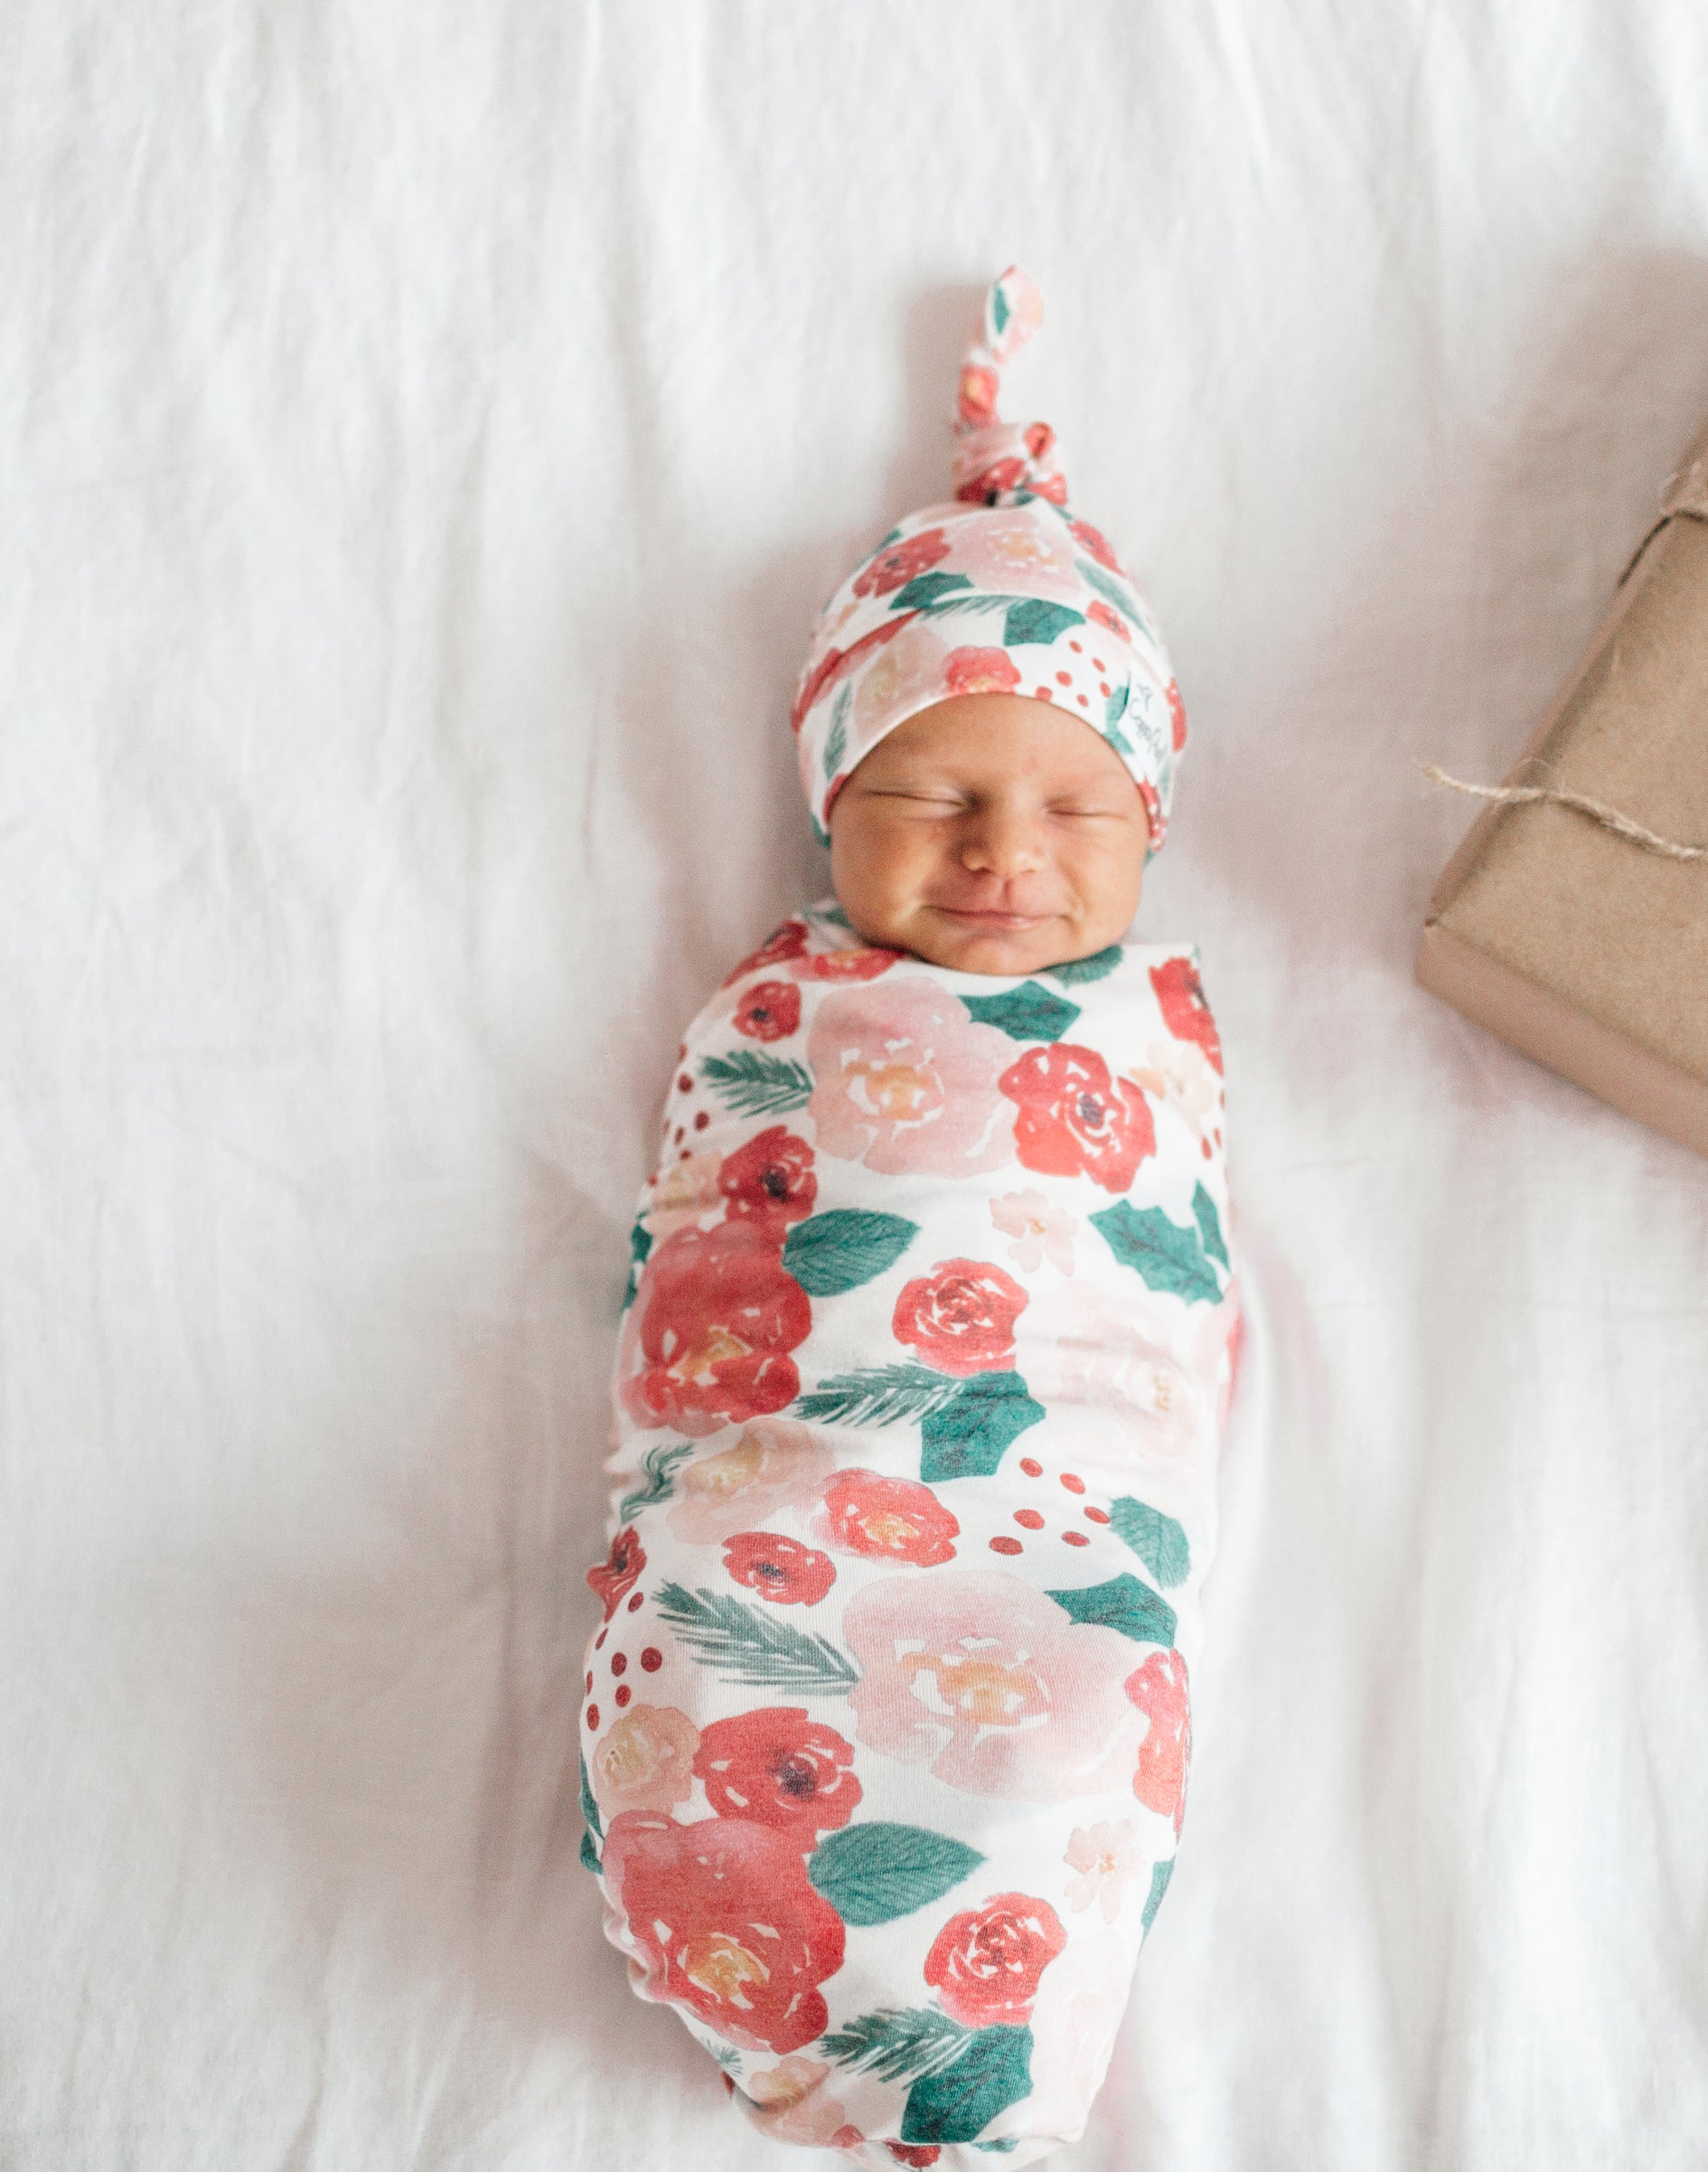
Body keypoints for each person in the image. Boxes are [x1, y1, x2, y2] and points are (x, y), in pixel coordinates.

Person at [582, 273, 1234, 2165]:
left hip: (1057, 1509)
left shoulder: (1151, 1035)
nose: (1003, 850)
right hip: (798, 1471)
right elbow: (703, 1261)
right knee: (717, 1654)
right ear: (829, 806)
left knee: (1073, 1721)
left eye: (1074, 810)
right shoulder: (782, 1012)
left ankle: (988, 2051)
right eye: (933, 791)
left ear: (1150, 826)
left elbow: (1158, 1300)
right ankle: (738, 1906)